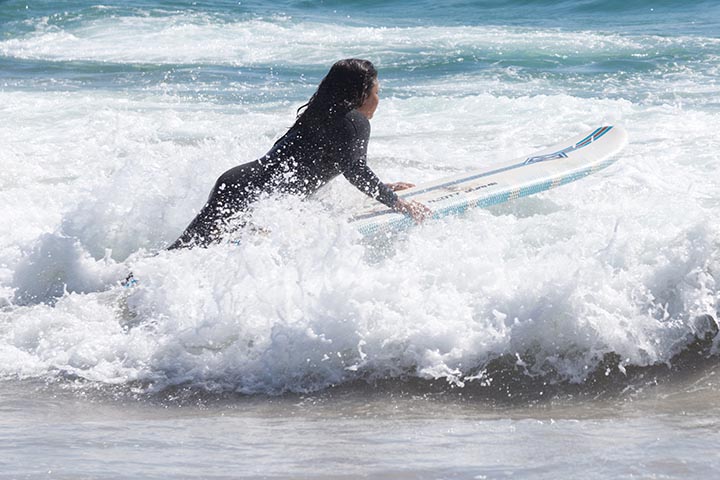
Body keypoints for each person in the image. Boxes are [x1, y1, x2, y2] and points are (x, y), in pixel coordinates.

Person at [168, 58, 430, 250]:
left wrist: (380, 186)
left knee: (188, 250)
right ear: (362, 93)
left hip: (239, 184)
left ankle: (133, 281)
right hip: (249, 194)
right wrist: (397, 202)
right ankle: (133, 285)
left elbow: (328, 164)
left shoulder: (318, 113)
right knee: (193, 251)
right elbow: (355, 170)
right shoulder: (353, 122)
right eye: (377, 92)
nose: (378, 99)